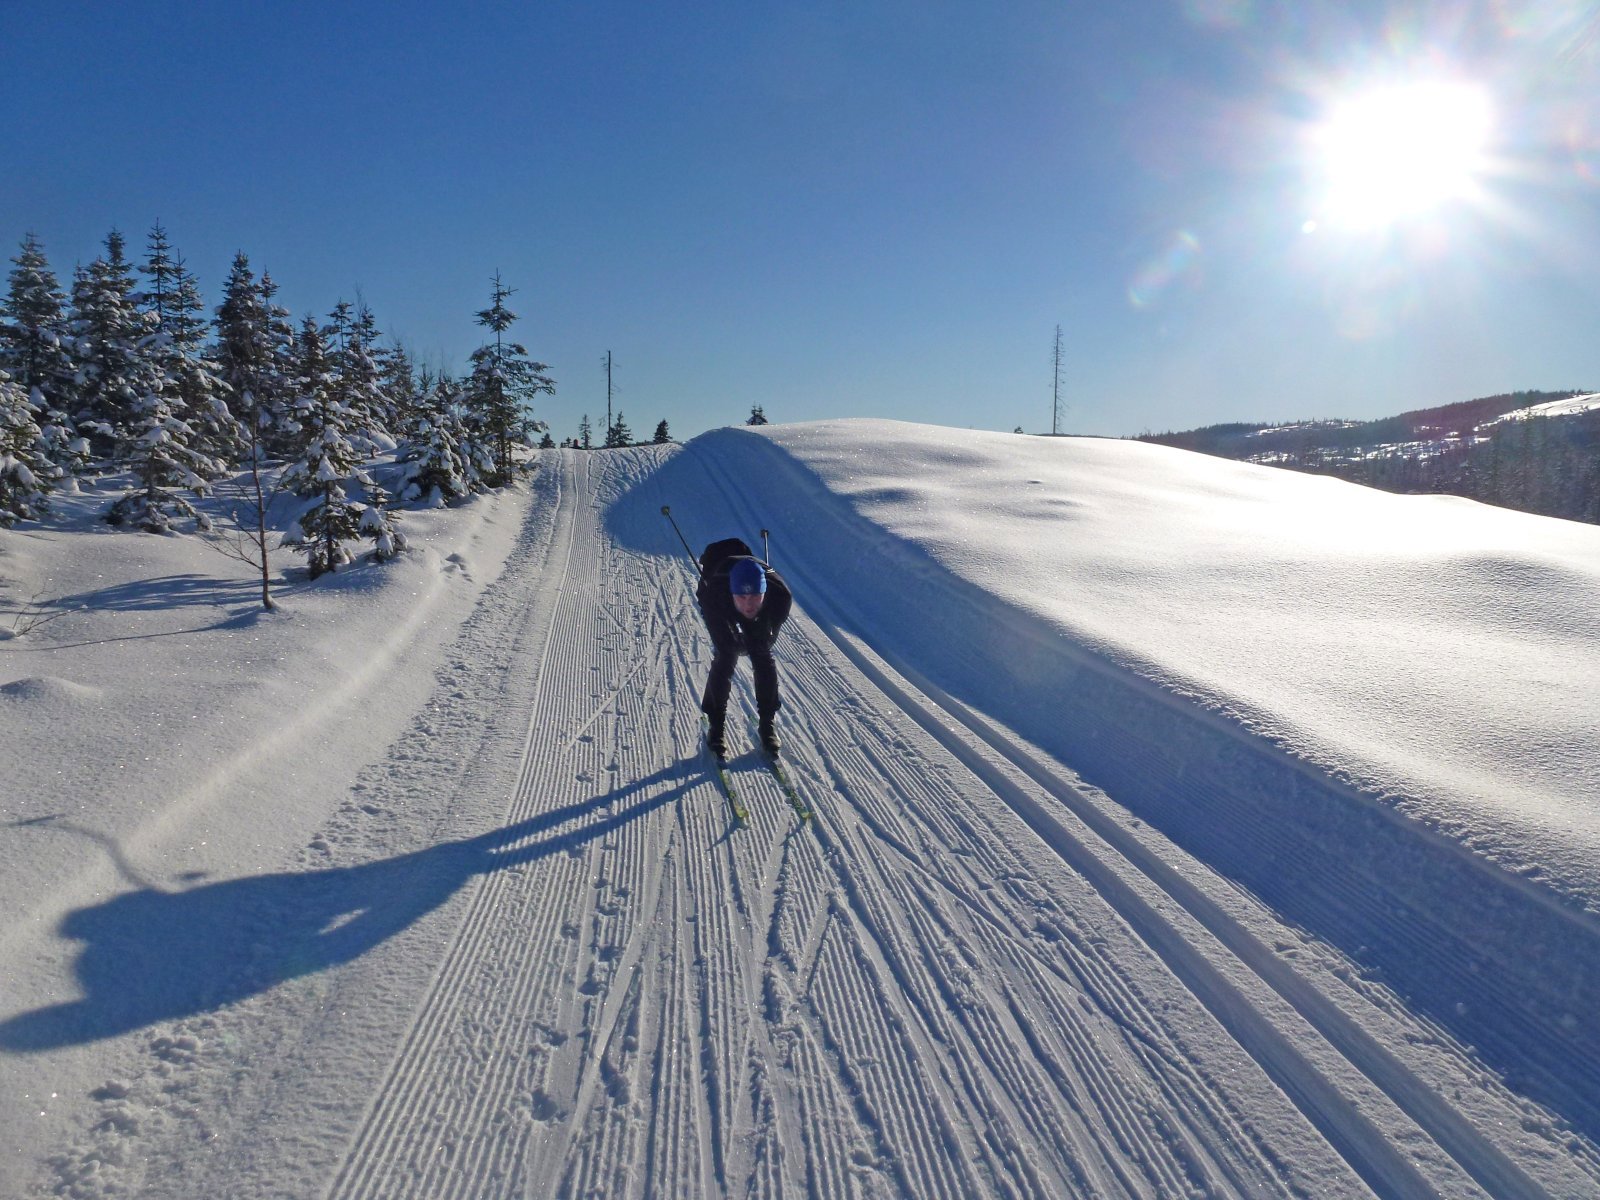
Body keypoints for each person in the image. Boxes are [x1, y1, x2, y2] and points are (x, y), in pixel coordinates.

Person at [696, 547, 792, 759]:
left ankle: (767, 724)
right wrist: (733, 637)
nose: (749, 604)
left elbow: (765, 638)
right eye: (742, 596)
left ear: (765, 592)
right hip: (718, 583)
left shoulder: (780, 598)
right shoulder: (714, 596)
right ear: (733, 593)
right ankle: (716, 725)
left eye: (755, 596)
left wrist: (756, 635)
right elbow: (725, 641)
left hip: (758, 599)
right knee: (726, 655)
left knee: (762, 654)